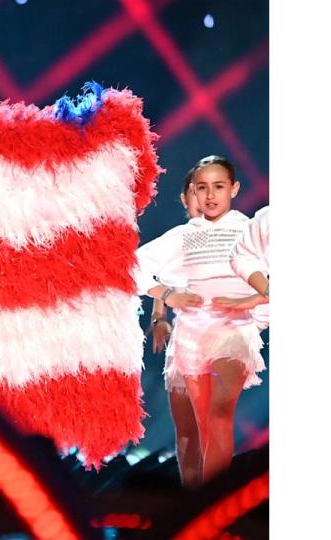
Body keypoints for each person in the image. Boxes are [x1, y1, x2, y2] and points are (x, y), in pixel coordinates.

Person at [134, 155, 265, 485]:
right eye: (202, 188)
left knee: (220, 413)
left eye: (218, 187)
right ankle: (195, 505)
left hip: (233, 331)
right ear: (191, 192)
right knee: (196, 428)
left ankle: (213, 502)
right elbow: (133, 266)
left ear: (234, 188)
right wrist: (166, 296)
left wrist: (253, 304)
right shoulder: (184, 236)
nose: (210, 196)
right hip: (191, 335)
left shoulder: (251, 230)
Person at [145, 168, 204, 487]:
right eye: (195, 193)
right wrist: (159, 318)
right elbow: (159, 281)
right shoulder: (176, 242)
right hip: (184, 345)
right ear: (185, 200)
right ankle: (192, 492)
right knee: (186, 430)